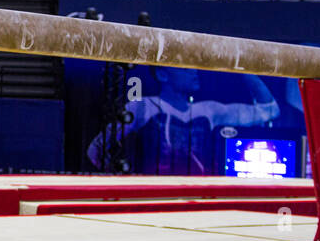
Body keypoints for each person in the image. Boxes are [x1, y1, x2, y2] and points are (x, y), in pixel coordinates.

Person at [88, 68, 280, 174]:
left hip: (195, 194)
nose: (194, 72)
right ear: (163, 74)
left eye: (194, 68)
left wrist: (241, 67)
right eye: (185, 69)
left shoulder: (208, 111)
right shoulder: (143, 107)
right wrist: (123, 178)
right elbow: (95, 149)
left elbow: (269, 110)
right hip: (152, 195)